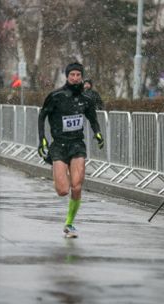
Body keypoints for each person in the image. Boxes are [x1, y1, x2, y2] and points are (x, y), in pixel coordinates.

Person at [37, 62, 104, 238]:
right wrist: (42, 138)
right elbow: (42, 115)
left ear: (82, 76)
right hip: (59, 145)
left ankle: (69, 224)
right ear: (67, 76)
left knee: (76, 186)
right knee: (63, 191)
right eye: (72, 75)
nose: (75, 78)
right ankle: (60, 174)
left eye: (78, 75)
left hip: (77, 145)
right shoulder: (56, 96)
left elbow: (93, 118)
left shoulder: (86, 98)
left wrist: (97, 133)